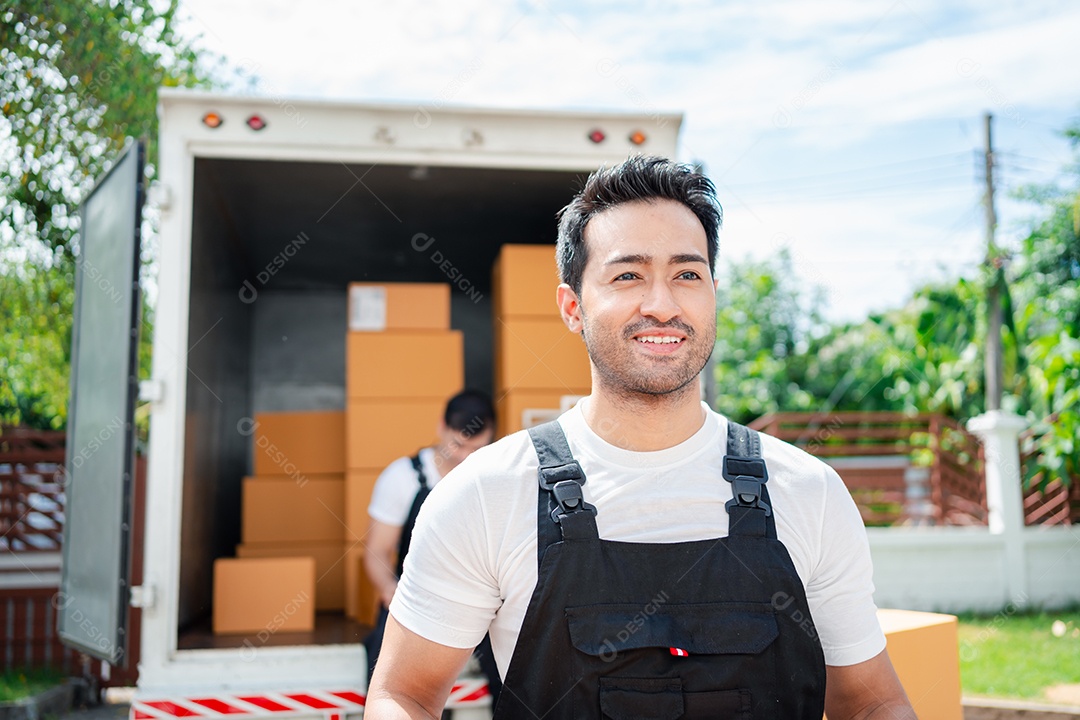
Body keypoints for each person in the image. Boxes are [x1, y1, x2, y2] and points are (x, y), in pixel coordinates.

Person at [367, 157, 916, 719]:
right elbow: (403, 694)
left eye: (687, 275)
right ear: (573, 307)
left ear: (713, 295)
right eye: (628, 275)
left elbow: (872, 703)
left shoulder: (808, 492)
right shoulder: (485, 495)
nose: (662, 305)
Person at [361, 389, 499, 702]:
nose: (464, 457)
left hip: (478, 602)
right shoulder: (403, 477)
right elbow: (377, 551)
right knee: (386, 677)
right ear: (441, 426)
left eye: (476, 448)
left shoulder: (493, 477)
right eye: (458, 445)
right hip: (412, 600)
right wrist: (389, 590)